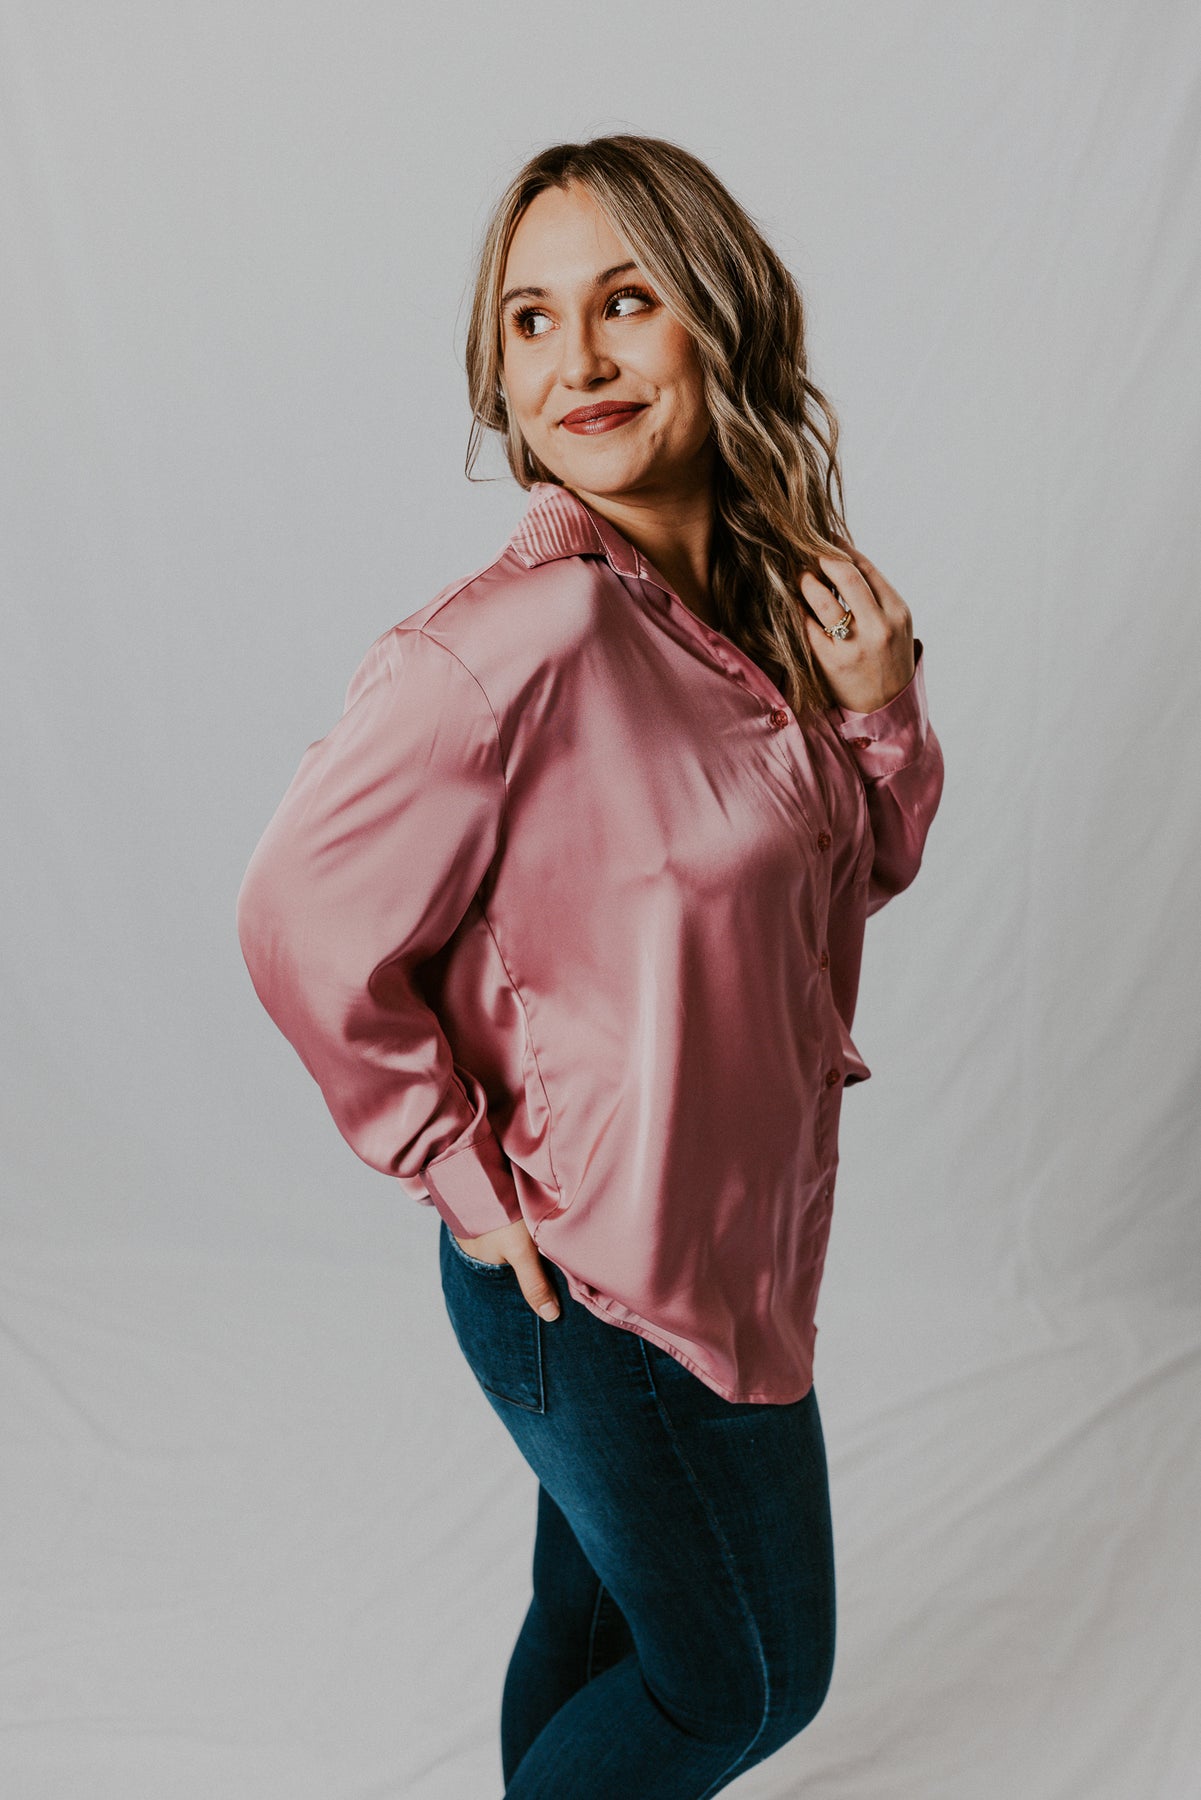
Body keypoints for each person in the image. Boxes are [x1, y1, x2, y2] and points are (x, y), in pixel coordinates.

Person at [235, 133, 944, 1798]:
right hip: (590, 1275)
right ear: (495, 368)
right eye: (532, 318)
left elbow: (837, 883)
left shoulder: (754, 605)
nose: (578, 361)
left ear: (717, 314)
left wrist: (876, 715)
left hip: (732, 1244)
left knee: (603, 1620)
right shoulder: (508, 644)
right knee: (742, 1686)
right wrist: (455, 1172)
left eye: (625, 302)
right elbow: (294, 918)